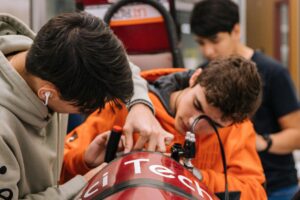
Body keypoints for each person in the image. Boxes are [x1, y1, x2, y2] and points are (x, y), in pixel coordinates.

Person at [0, 12, 172, 199]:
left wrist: (140, 105)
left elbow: (122, 68)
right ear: (48, 93)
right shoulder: (3, 129)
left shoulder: (55, 56)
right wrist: (81, 185)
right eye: (83, 109)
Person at [63, 56, 267, 199]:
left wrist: (195, 176)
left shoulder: (238, 130)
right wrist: (85, 162)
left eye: (214, 125)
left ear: (232, 123)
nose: (194, 123)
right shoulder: (128, 106)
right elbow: (56, 169)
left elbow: (255, 193)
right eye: (196, 105)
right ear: (195, 78)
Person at [163, 0, 300, 199]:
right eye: (201, 42)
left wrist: (258, 141)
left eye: (215, 40)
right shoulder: (201, 76)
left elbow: (297, 134)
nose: (208, 51)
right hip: (217, 185)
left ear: (236, 31)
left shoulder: (273, 73)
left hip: (276, 186)